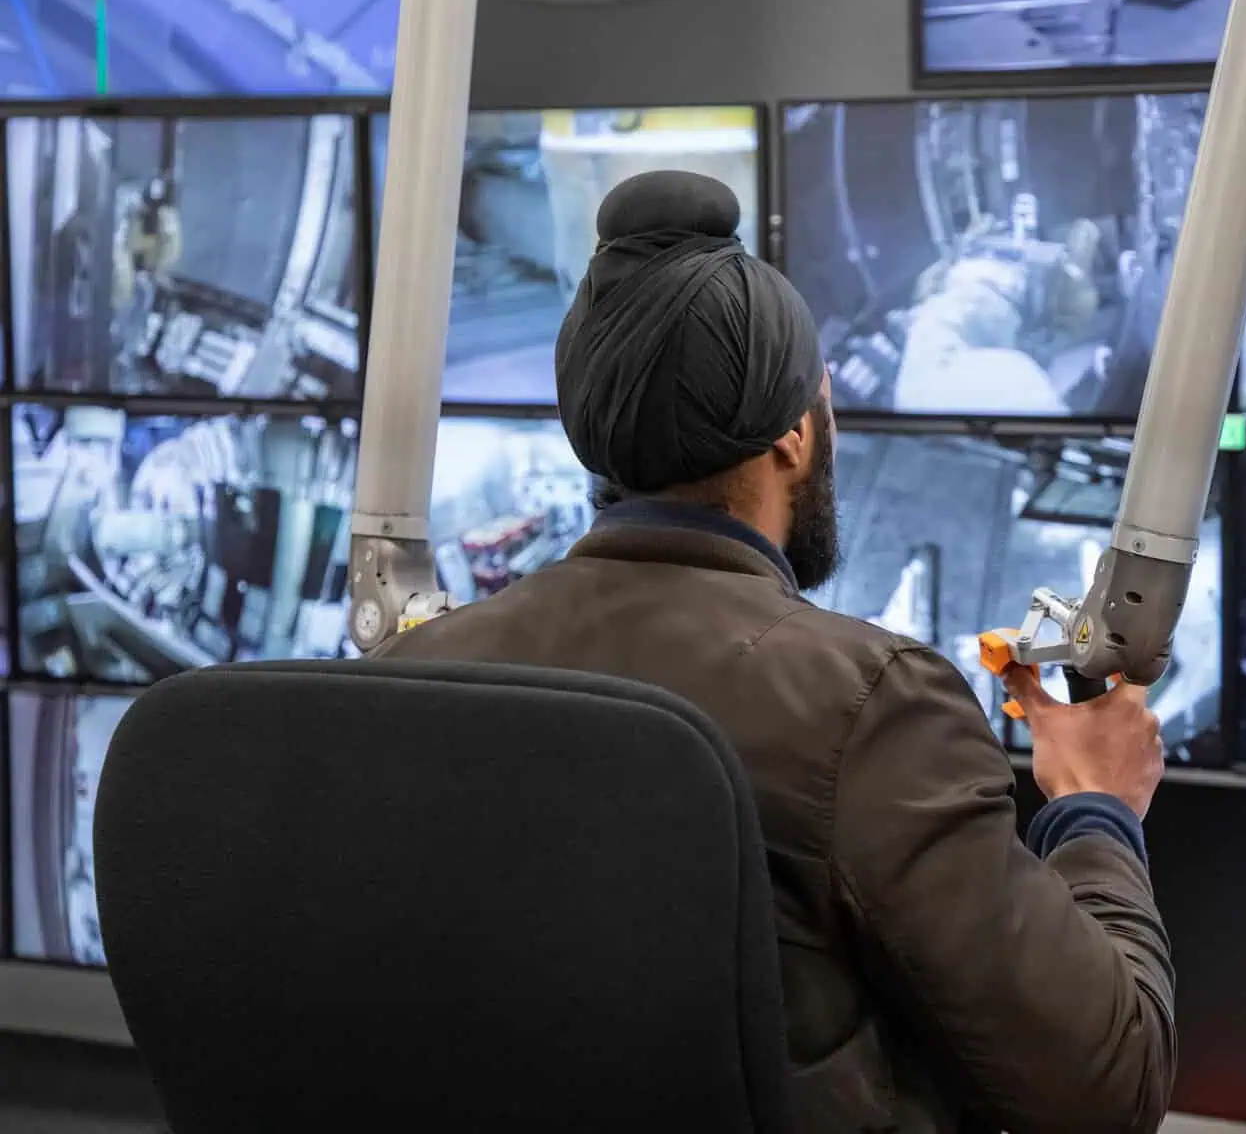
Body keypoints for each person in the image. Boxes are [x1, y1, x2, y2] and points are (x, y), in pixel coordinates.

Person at [374, 171, 1176, 1134]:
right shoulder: (871, 703)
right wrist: (1097, 811)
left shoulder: (422, 668)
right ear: (797, 434)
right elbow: (1109, 1084)